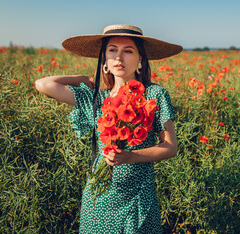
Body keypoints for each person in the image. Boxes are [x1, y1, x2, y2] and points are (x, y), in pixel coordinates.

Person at [35, 24, 183, 233]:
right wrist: (82, 80)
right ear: (104, 58)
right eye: (112, 50)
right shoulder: (96, 99)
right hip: (99, 200)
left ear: (140, 58)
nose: (119, 58)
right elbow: (43, 84)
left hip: (138, 199)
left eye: (128, 51)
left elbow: (170, 147)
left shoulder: (154, 95)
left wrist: (130, 157)